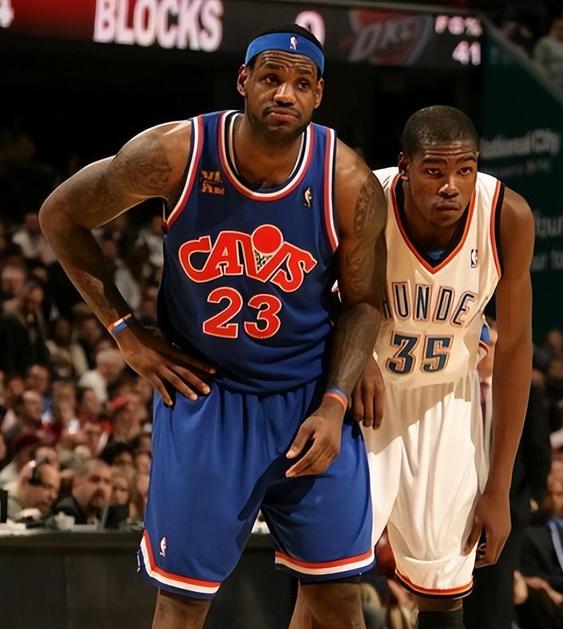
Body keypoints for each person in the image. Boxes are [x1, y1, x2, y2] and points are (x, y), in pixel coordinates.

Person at [40, 23, 386, 629]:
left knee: (338, 600)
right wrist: (125, 331)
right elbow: (59, 215)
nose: (284, 93)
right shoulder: (176, 152)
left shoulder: (347, 180)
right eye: (271, 77)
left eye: (301, 83)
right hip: (209, 399)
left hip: (308, 399)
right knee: (183, 604)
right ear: (243, 80)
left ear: (319, 95)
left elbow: (364, 303)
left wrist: (335, 400)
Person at [351, 106, 534, 628]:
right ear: (404, 167)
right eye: (434, 170)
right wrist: (355, 359)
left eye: (464, 169)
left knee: (443, 585)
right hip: (366, 401)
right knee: (328, 572)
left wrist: (499, 486)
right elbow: (317, 295)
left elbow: (515, 349)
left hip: (446, 402)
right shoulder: (363, 197)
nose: (451, 186)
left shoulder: (506, 217)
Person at [52, 457, 113, 525]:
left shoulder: (104, 516)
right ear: (76, 482)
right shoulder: (67, 511)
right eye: (95, 480)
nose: (101, 487)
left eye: (107, 482)